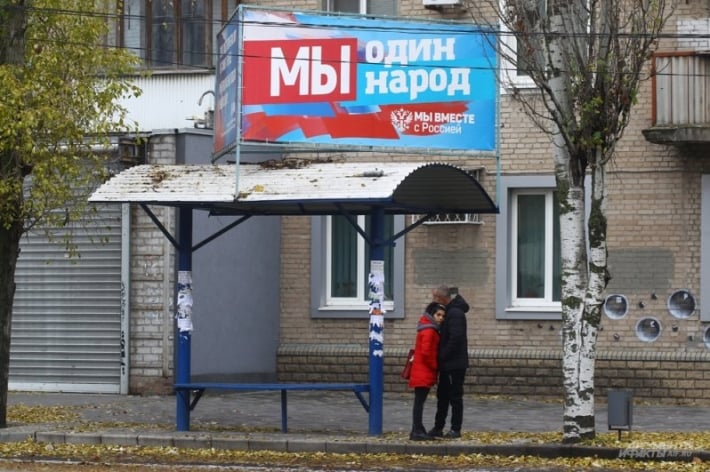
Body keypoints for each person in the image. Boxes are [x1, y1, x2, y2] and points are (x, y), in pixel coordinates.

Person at [428, 285, 470, 439]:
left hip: (454, 364)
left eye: (435, 297)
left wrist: (442, 355)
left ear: (441, 298)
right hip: (448, 363)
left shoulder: (455, 314)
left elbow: (455, 339)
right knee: (443, 396)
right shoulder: (449, 312)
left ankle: (455, 428)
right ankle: (438, 427)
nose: (433, 300)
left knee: (454, 396)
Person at [408, 301, 446, 441]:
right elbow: (426, 352)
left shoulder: (426, 327)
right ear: (432, 315)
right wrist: (434, 365)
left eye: (443, 316)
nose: (441, 318)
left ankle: (417, 429)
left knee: (419, 401)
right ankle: (417, 430)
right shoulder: (430, 330)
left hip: (421, 370)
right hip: (424, 371)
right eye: (438, 315)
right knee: (419, 402)